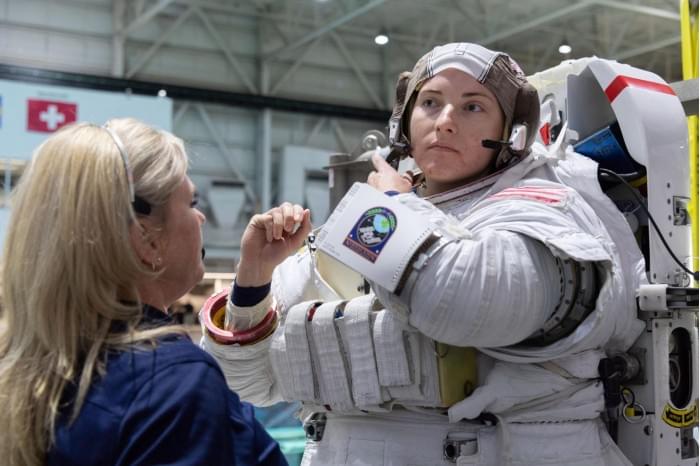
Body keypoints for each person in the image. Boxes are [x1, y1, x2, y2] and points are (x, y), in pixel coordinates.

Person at [201, 43, 646, 466]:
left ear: (510, 132)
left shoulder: (543, 208)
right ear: (404, 122)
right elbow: (250, 381)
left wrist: (392, 210)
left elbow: (463, 301)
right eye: (430, 103)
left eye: (473, 107)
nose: (446, 121)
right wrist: (254, 275)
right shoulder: (369, 219)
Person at [0, 118, 287, 466]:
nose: (201, 219)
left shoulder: (34, 371)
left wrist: (253, 276)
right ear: (148, 241)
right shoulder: (171, 383)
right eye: (191, 203)